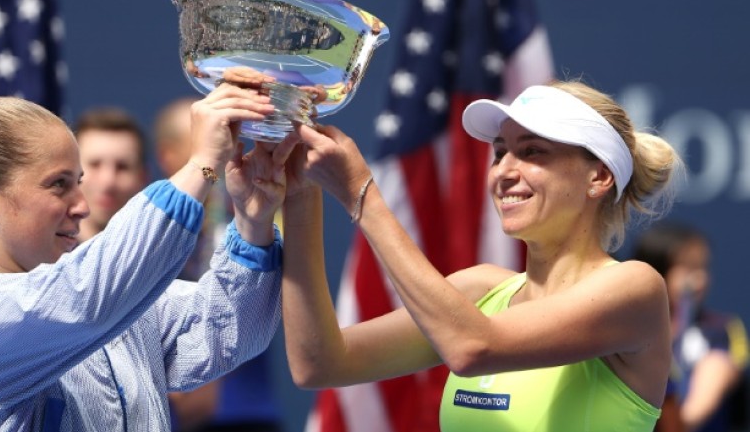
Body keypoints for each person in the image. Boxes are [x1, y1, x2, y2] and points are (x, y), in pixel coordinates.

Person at [279, 79, 684, 431]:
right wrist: (299, 193)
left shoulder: (634, 287)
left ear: (598, 177)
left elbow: (471, 348)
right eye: (500, 152)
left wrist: (361, 194)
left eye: (533, 152)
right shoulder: (478, 289)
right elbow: (319, 362)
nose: (504, 170)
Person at [0, 83, 290, 432]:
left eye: (77, 183)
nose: (81, 206)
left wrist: (253, 222)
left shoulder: (106, 299)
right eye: (59, 185)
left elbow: (227, 329)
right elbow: (80, 301)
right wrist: (200, 166)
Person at [154, 96, 284, 432]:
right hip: (171, 414)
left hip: (249, 414)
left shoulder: (253, 210)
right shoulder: (151, 225)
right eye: (206, 139)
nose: (223, 148)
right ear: (168, 155)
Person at [632, 222, 749, 432]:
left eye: (703, 267)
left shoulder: (723, 328)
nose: (699, 279)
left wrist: (678, 422)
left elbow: (721, 372)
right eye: (687, 267)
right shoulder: (628, 328)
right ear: (655, 269)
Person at [73, 107, 150, 241]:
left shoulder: (162, 257)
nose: (108, 181)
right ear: (70, 172)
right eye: (94, 164)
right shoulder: (39, 259)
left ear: (143, 177)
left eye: (122, 167)